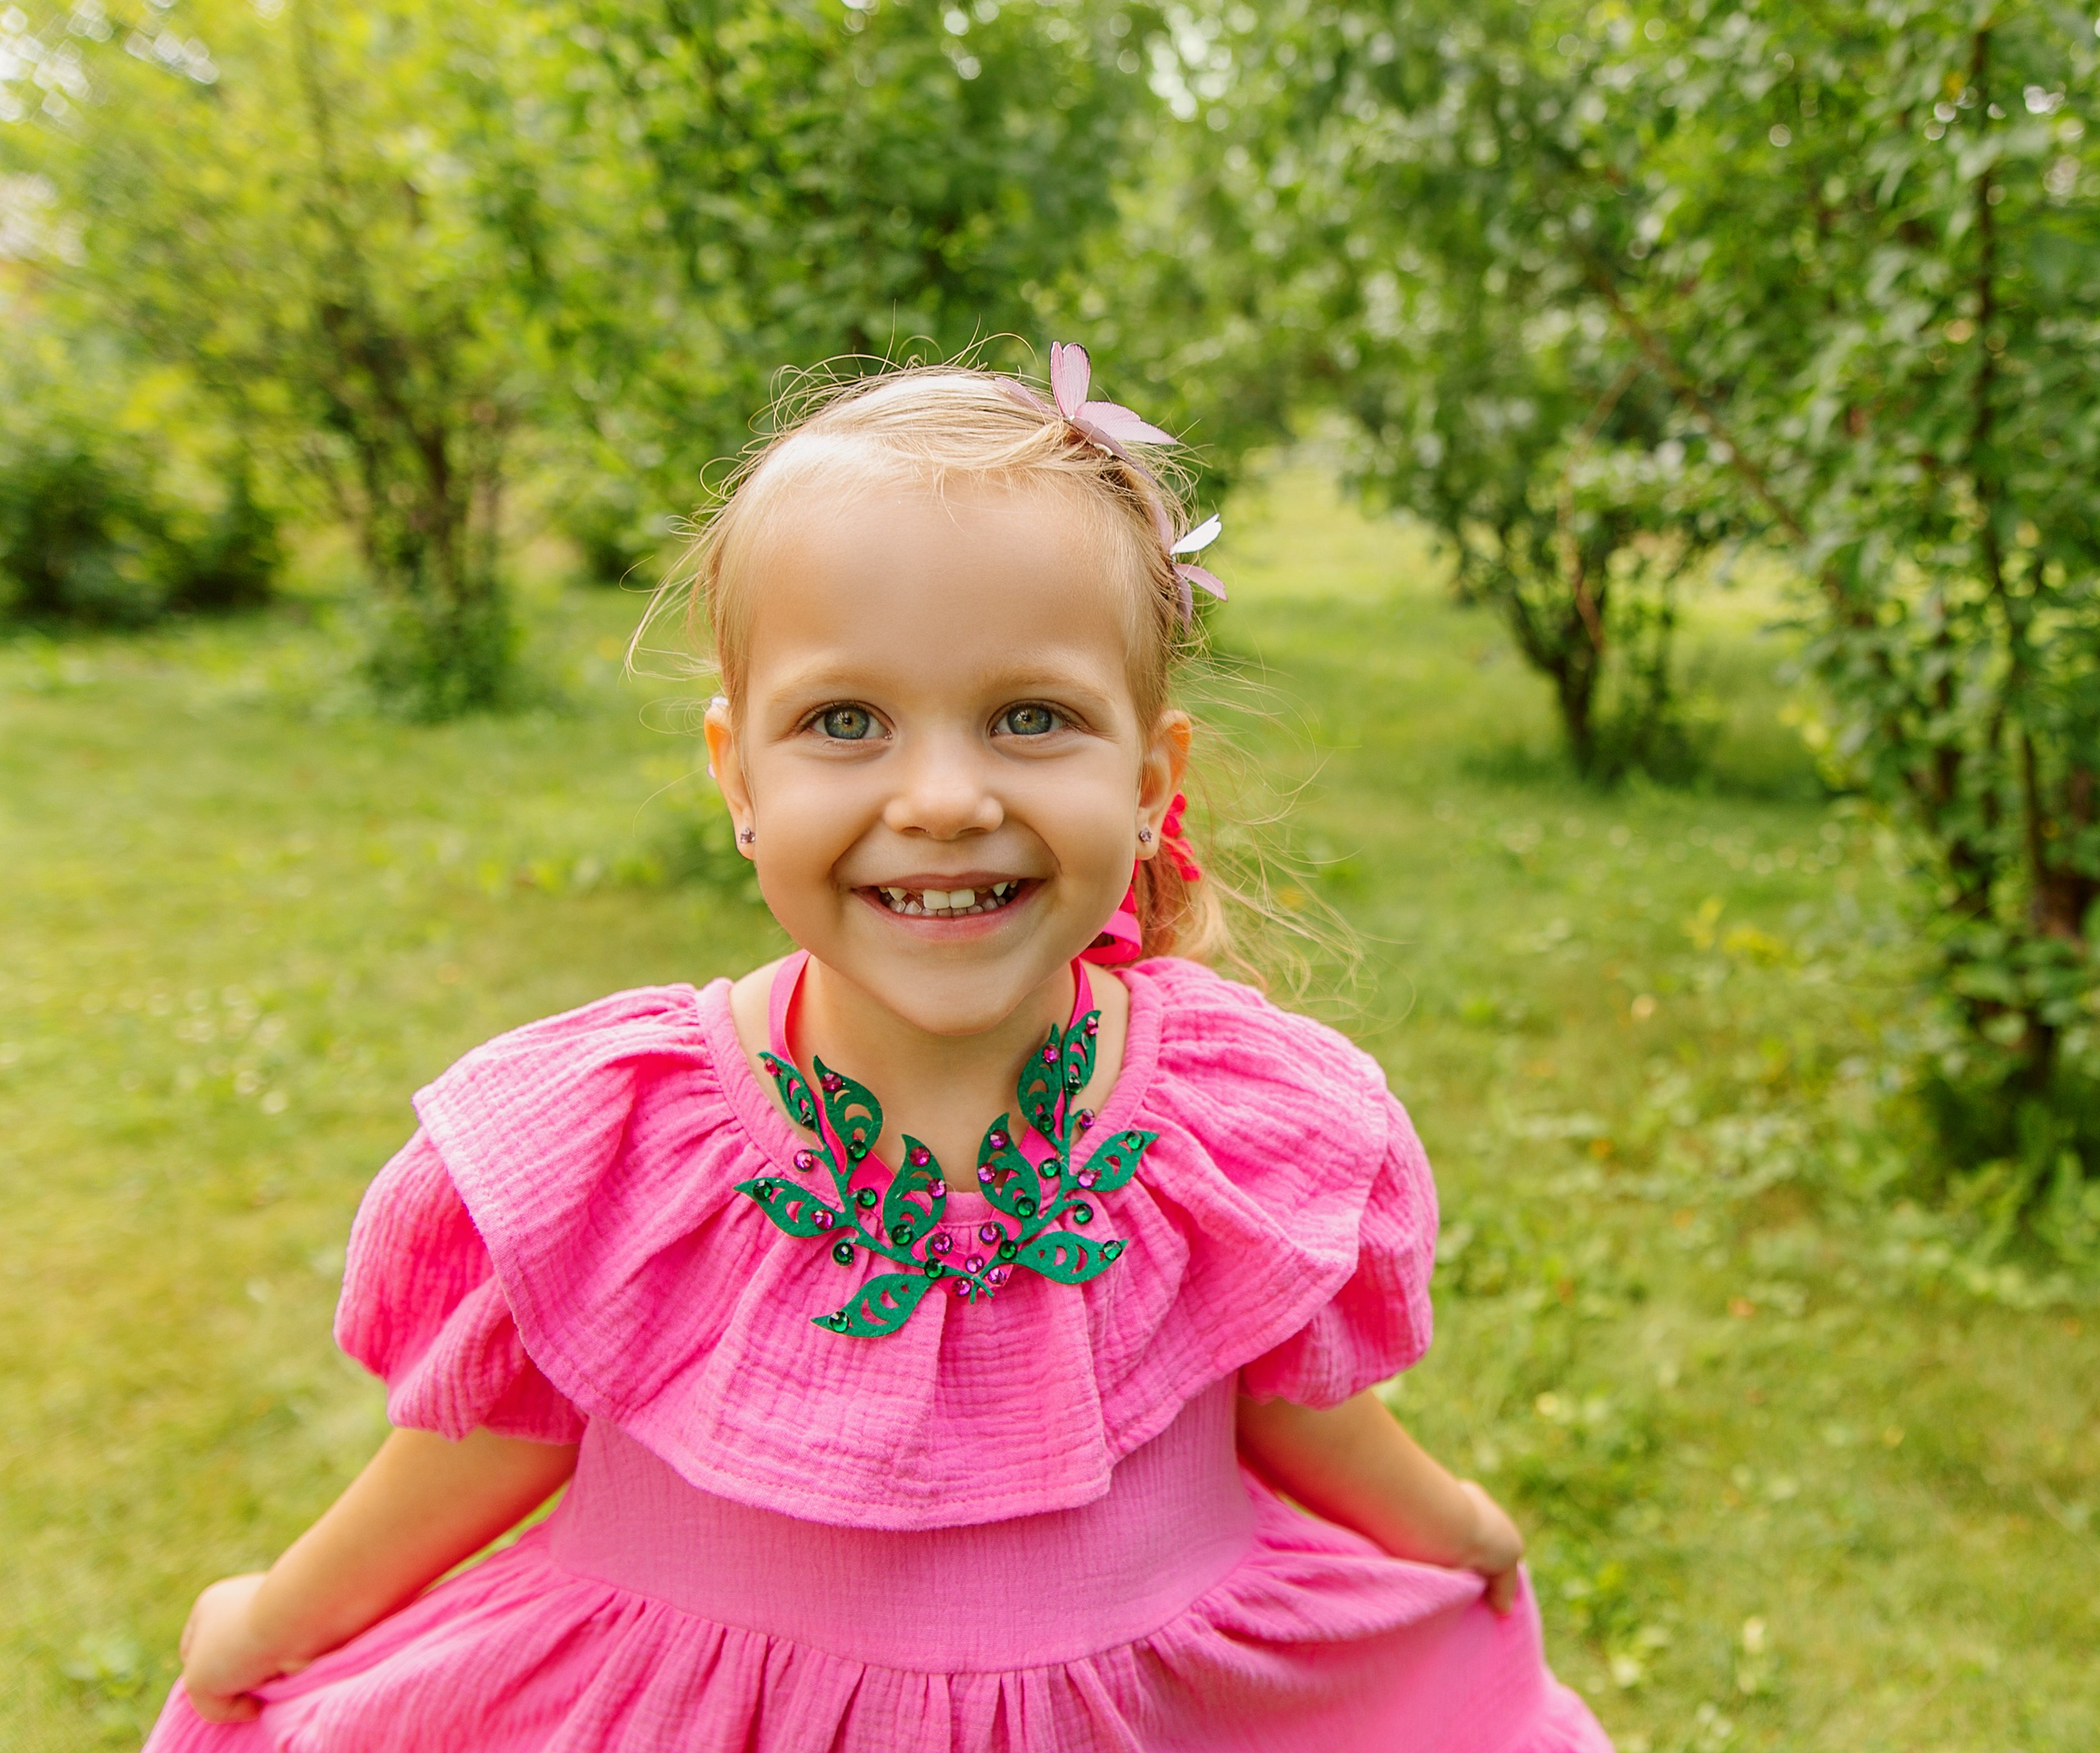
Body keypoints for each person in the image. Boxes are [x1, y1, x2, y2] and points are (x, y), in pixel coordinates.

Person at [146, 346, 1611, 1752]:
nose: (944, 797)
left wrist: (1448, 1524)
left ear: (1150, 772)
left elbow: (1294, 1411)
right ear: (738, 775)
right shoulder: (622, 1141)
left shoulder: (1234, 1122)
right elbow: (483, 1450)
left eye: (1031, 718)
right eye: (845, 721)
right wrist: (274, 1619)